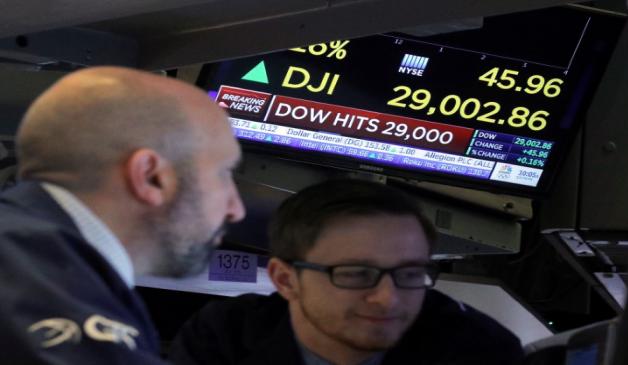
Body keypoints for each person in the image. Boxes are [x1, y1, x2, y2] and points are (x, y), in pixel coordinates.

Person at [0, 67, 246, 364]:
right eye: (223, 174)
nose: (236, 209)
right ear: (150, 176)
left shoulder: (31, 255)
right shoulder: (47, 284)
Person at [170, 179, 524, 365]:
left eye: (410, 274)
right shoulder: (224, 338)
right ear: (285, 279)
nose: (388, 298)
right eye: (355, 274)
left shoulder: (481, 350)